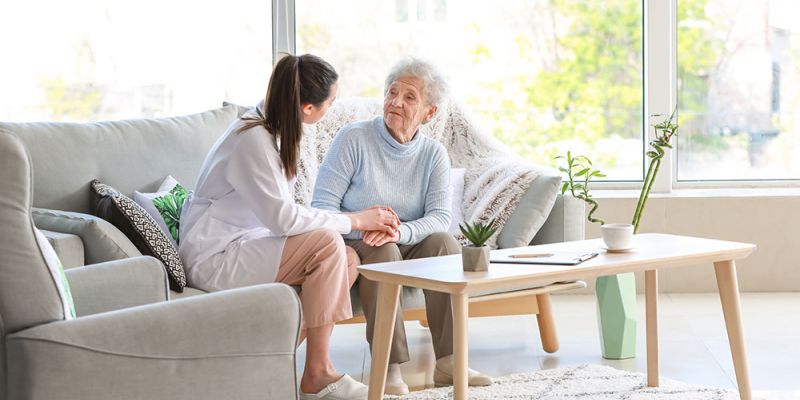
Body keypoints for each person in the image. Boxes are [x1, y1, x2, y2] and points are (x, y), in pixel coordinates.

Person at [179, 54, 399, 400]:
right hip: (215, 258)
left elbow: (282, 216)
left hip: (246, 245)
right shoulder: (252, 140)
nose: (331, 109)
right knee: (329, 245)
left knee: (347, 259)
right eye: (330, 102)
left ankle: (261, 359)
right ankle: (317, 373)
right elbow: (282, 219)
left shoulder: (270, 131)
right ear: (308, 108)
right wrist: (356, 219)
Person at [311, 57, 494, 395]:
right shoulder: (354, 139)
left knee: (444, 244)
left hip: (403, 238)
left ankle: (450, 360)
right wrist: (366, 226)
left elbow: (440, 217)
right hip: (356, 240)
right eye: (391, 92)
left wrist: (400, 231)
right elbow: (321, 209)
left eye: (410, 97)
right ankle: (389, 366)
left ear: (429, 112)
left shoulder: (433, 154)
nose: (395, 102)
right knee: (383, 249)